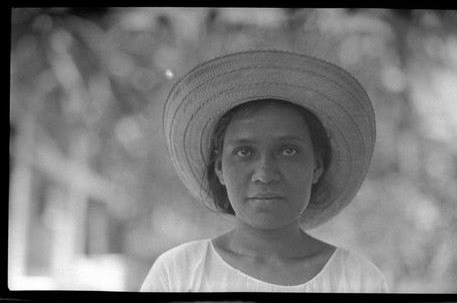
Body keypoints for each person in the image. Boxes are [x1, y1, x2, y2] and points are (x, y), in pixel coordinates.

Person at [140, 50, 388, 292]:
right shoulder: (176, 273)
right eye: (244, 152)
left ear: (317, 166)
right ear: (220, 169)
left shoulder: (359, 280)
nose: (265, 174)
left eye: (288, 151)